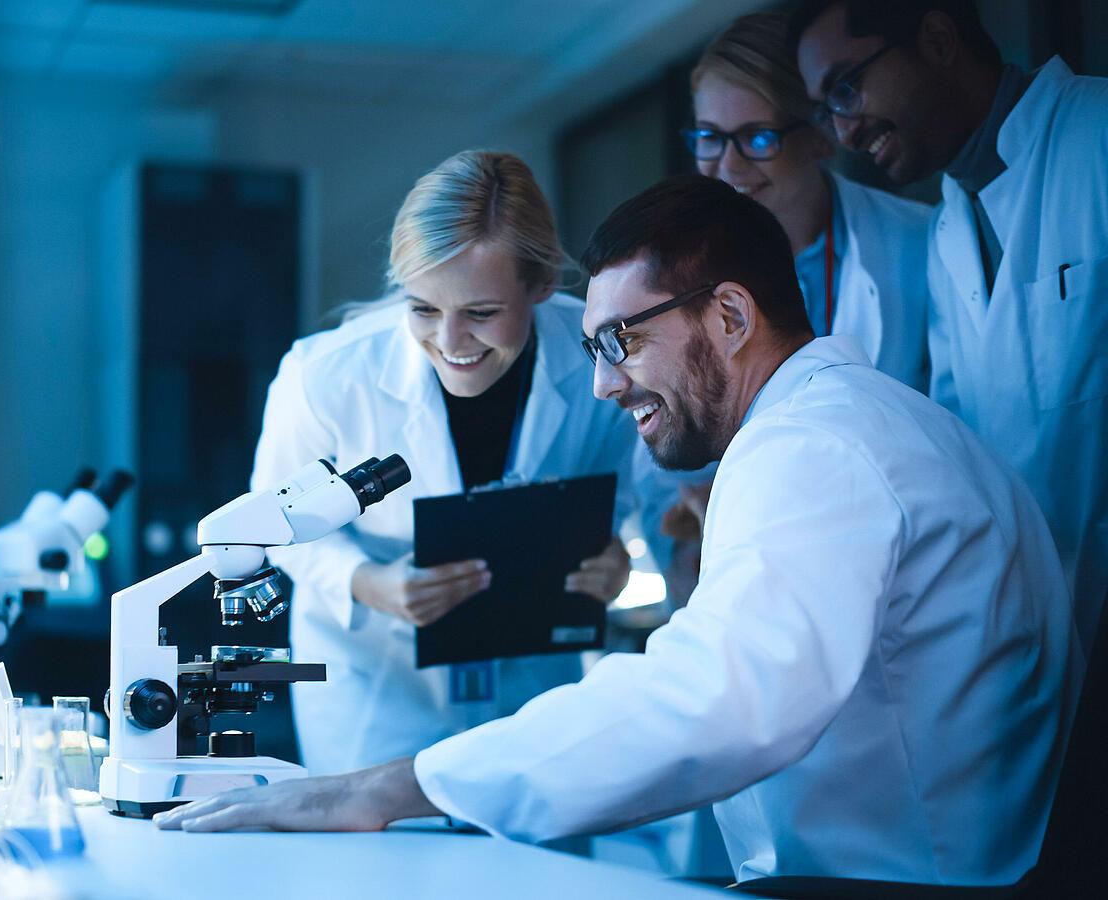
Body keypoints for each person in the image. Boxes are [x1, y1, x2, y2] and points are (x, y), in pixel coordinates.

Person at [157, 176, 1080, 889]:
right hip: (927, 856)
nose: (601, 383)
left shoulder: (814, 450)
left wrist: (395, 786)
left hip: (905, 878)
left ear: (729, 315)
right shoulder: (856, 420)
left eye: (620, 342)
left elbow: (719, 697)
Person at [248, 150, 636, 776]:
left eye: (481, 313)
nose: (450, 344)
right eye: (423, 308)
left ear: (539, 287)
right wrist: (367, 583)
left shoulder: (597, 354)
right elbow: (275, 528)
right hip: (378, 683)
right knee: (389, 862)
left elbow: (622, 488)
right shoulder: (324, 376)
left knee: (537, 859)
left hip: (534, 676)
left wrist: (611, 554)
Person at [792, 0, 1108, 649]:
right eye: (828, 109)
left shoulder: (1098, 137)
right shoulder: (946, 232)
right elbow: (971, 459)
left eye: (847, 88)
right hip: (1045, 638)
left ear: (937, 39)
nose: (845, 132)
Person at [641, 10, 936, 603]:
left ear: (822, 132)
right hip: (754, 575)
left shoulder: (920, 246)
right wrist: (686, 528)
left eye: (758, 137)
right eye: (709, 137)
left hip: (906, 566)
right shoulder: (675, 280)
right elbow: (652, 460)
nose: (727, 167)